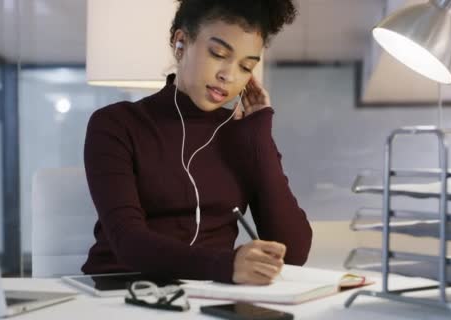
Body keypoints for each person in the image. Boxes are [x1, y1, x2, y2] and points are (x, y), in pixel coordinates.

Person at [81, 0, 312, 285]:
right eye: (218, 54)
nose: (228, 75)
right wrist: (226, 266)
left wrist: (259, 136)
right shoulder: (116, 124)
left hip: (211, 296)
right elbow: (128, 242)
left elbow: (294, 252)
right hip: (120, 292)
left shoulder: (245, 135)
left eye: (245, 66)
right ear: (181, 42)